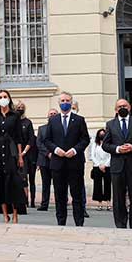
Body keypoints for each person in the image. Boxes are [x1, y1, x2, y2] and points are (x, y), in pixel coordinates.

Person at [102, 98, 132, 229]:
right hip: (117, 166)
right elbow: (105, 144)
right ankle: (120, 225)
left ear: (129, 108)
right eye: (120, 106)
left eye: (125, 106)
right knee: (118, 198)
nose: (123, 108)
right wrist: (117, 149)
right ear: (116, 110)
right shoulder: (110, 124)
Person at [45, 91, 89, 226]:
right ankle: (61, 222)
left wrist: (75, 150)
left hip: (75, 163)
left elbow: (85, 139)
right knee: (60, 195)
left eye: (67, 100)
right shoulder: (53, 120)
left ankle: (79, 223)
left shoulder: (79, 120)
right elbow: (47, 140)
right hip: (58, 163)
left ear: (72, 102)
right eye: (62, 101)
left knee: (76, 195)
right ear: (59, 103)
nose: (65, 103)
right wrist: (56, 150)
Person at [0, 89, 26, 223]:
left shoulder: (15, 116)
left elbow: (19, 137)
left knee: (12, 182)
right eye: (0, 97)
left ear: (9, 98)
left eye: (5, 96)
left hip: (10, 150)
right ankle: (4, 215)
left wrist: (20, 156)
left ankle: (14, 214)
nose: (3, 99)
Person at [17, 102, 37, 211]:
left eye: (22, 108)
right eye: (18, 107)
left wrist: (24, 152)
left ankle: (32, 201)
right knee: (21, 178)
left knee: (31, 179)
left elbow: (31, 139)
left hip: (27, 155)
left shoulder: (28, 122)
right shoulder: (13, 122)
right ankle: (22, 201)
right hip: (17, 154)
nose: (20, 109)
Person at [35, 109, 56, 211]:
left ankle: (61, 202)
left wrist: (54, 152)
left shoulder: (59, 128)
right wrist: (48, 153)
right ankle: (44, 204)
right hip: (44, 160)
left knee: (59, 183)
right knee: (45, 183)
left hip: (57, 159)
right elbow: (39, 143)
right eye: (50, 114)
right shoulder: (41, 128)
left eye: (54, 114)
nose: (52, 115)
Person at [88, 129, 111, 210]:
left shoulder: (108, 143)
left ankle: (108, 203)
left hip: (107, 166)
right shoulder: (95, 144)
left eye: (103, 134)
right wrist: (99, 165)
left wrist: (105, 165)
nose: (102, 135)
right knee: (97, 185)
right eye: (100, 134)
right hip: (97, 166)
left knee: (107, 184)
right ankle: (99, 203)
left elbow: (110, 155)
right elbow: (92, 155)